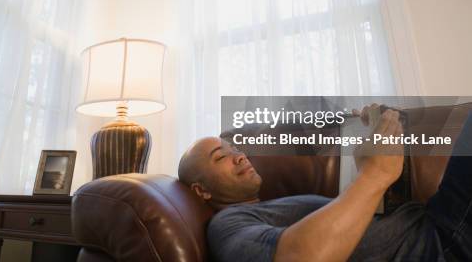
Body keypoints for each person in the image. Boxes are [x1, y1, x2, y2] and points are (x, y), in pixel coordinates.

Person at [177, 104, 472, 261]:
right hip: (440, 243)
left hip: (434, 223)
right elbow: (297, 258)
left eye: (237, 150)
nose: (240, 157)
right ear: (201, 190)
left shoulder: (279, 206)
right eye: (221, 157)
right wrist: (374, 174)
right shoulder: (227, 226)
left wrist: (369, 138)